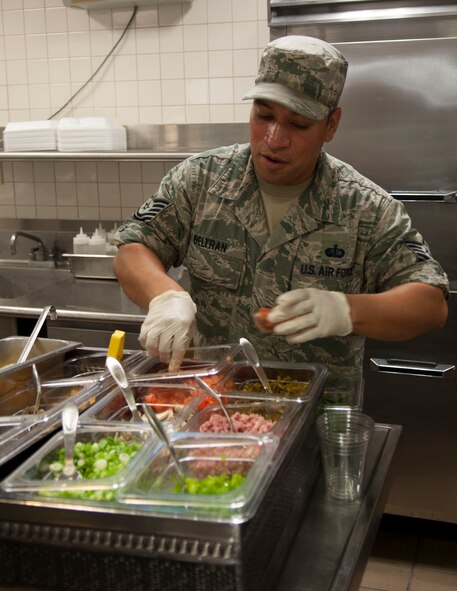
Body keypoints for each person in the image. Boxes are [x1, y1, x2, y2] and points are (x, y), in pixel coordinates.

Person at [113, 35, 448, 383]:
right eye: (263, 115)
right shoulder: (201, 180)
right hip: (212, 405)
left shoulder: (363, 207)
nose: (274, 139)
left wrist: (346, 310)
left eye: (298, 124)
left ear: (331, 125)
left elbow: (429, 304)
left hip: (313, 420)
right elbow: (133, 250)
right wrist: (166, 296)